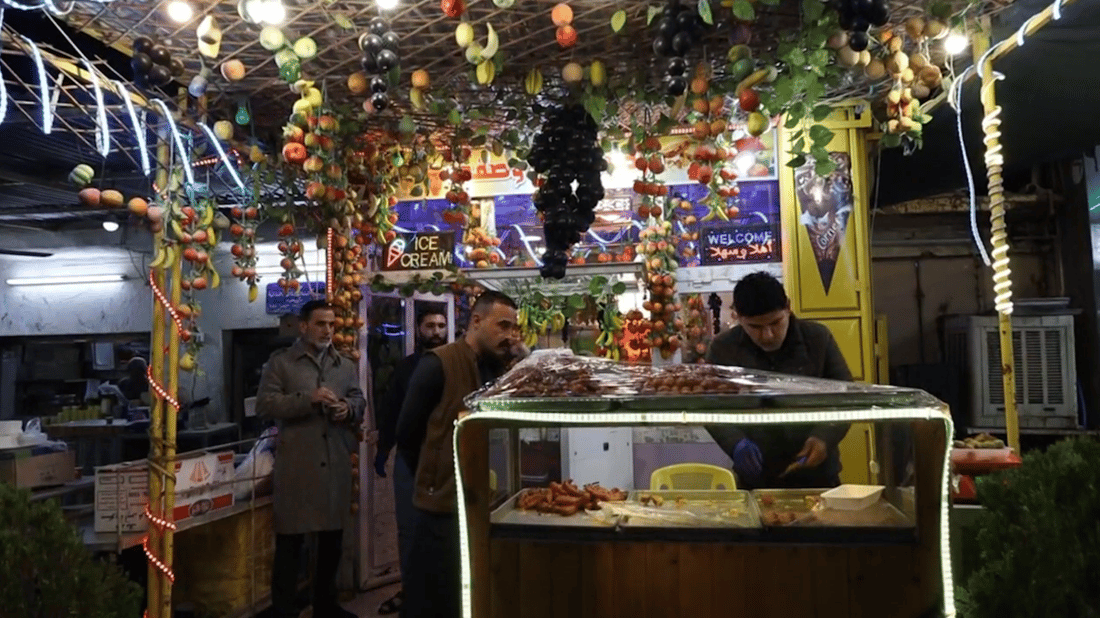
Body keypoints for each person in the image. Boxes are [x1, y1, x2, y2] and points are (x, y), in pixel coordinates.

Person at [395, 290, 517, 618]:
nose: (509, 336)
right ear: (475, 321)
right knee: (433, 602)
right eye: (502, 326)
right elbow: (406, 435)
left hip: (484, 504)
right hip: (441, 512)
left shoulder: (496, 370)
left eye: (513, 329)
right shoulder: (438, 364)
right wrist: (435, 480)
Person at [257, 300, 366, 618]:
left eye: (332, 325)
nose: (328, 330)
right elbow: (265, 404)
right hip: (298, 467)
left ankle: (326, 605)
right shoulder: (281, 364)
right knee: (291, 544)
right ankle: (284, 609)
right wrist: (309, 399)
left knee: (331, 542)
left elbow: (359, 398)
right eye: (321, 324)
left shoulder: (344, 365)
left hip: (335, 463)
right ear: (304, 326)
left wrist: (347, 407)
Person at [705, 271, 852, 490]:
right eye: (755, 327)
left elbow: (847, 397)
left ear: (788, 308)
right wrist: (735, 442)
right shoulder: (723, 349)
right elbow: (710, 406)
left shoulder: (818, 338)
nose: (768, 335)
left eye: (775, 323)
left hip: (818, 475)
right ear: (737, 316)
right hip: (755, 477)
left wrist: (824, 437)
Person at [373, 309, 448, 616]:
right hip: (408, 457)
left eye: (441, 325)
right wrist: (383, 448)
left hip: (445, 458)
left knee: (444, 526)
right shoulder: (405, 369)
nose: (437, 331)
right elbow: (391, 411)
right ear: (418, 329)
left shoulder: (458, 365)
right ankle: (410, 590)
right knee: (408, 528)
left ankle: (443, 593)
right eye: (430, 325)